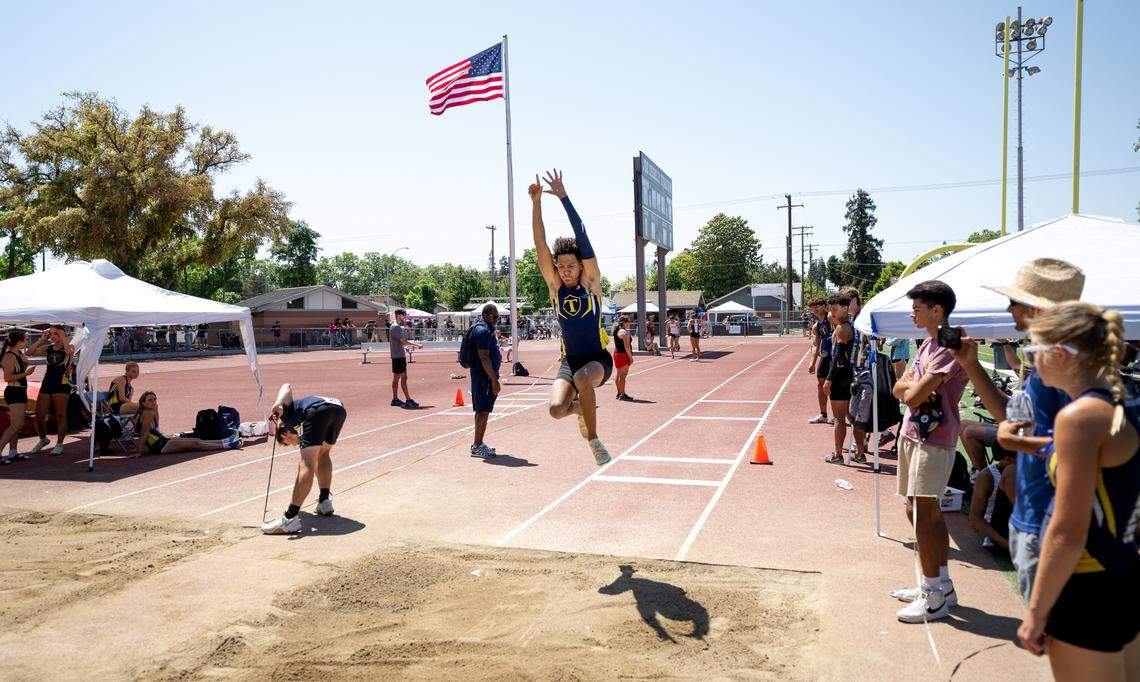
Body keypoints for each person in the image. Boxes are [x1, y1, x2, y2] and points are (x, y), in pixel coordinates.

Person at [1017, 302, 1140, 675]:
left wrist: (1036, 613)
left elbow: (1068, 531)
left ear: (1059, 354)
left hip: (1087, 584)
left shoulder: (1079, 417)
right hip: (1123, 570)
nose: (1031, 361)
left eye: (1032, 351)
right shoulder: (1126, 404)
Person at [951, 258, 1085, 603]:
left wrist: (1025, 444)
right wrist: (969, 364)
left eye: (1015, 301)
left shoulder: (1066, 363)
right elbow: (1010, 416)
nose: (1008, 308)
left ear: (1038, 309)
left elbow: (1087, 445)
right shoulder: (1048, 362)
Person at [888, 280, 969, 623]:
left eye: (917, 308)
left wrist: (912, 389)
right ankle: (938, 583)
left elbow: (912, 396)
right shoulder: (925, 345)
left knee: (925, 511)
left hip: (935, 438)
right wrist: (912, 388)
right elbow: (899, 389)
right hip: (912, 433)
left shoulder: (949, 348)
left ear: (938, 311)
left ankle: (933, 594)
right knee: (915, 508)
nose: (912, 314)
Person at [529, 168, 613, 465]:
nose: (565, 271)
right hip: (570, 361)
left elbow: (583, 236)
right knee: (555, 409)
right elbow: (540, 245)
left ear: (580, 267)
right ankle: (579, 408)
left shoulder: (591, 284)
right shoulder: (554, 287)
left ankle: (593, 440)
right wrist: (536, 202)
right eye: (561, 266)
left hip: (598, 360)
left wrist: (563, 197)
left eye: (570, 266)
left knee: (582, 377)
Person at [262, 385, 347, 534]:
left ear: (285, 433)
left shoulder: (286, 414)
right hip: (338, 409)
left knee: (306, 462)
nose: (295, 444)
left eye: (289, 442)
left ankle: (290, 518)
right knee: (323, 454)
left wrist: (279, 403)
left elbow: (286, 386)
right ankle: (324, 502)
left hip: (317, 410)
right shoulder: (297, 421)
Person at [132, 391, 239, 456]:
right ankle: (227, 445)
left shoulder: (149, 412)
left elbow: (156, 429)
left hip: (162, 441)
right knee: (195, 444)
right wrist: (139, 452)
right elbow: (144, 434)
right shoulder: (148, 413)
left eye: (155, 399)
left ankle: (226, 441)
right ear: (143, 402)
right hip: (160, 446)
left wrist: (156, 410)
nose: (153, 402)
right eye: (150, 400)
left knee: (197, 440)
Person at [823, 294, 862, 464]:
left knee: (839, 418)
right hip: (851, 374)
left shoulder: (842, 329)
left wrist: (829, 379)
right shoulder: (851, 324)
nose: (831, 313)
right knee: (852, 417)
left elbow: (838, 356)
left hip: (840, 376)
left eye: (834, 309)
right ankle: (860, 453)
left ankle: (838, 455)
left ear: (845, 308)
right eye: (830, 309)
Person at [30, 326, 75, 456]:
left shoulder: (69, 346)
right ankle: (43, 439)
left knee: (61, 414)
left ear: (62, 334)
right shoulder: (48, 348)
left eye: (56, 333)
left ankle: (59, 444)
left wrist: (62, 337)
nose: (53, 336)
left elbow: (69, 353)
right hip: (47, 384)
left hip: (61, 385)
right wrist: (41, 339)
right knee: (39, 415)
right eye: (51, 334)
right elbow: (30, 353)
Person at [469, 303, 502, 459]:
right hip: (484, 377)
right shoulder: (482, 331)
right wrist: (494, 380)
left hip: (484, 375)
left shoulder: (485, 329)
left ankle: (478, 443)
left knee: (482, 409)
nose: (497, 320)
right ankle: (477, 445)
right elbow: (483, 356)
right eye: (495, 317)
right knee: (483, 410)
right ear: (487, 315)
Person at [968, 450, 1016, 554]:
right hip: (1001, 537)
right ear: (1007, 459)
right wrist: (1006, 544)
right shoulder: (987, 477)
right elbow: (975, 517)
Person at [1, 330, 37, 463]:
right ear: (19, 342)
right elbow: (7, 377)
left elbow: (30, 352)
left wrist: (41, 339)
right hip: (14, 391)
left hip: (20, 391)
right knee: (17, 424)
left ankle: (13, 452)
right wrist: (26, 373)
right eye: (26, 340)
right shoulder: (9, 356)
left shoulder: (19, 354)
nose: (27, 342)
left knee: (16, 425)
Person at [807, 298, 833, 426]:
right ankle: (823, 415)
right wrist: (812, 362)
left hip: (837, 355)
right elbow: (816, 345)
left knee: (834, 385)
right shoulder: (816, 326)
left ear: (824, 306)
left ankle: (838, 415)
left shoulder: (832, 318)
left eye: (817, 306)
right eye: (812, 307)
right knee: (821, 384)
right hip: (826, 355)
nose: (815, 309)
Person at [389, 309, 423, 408]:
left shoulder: (395, 326)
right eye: (403, 315)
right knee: (403, 377)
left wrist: (405, 346)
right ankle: (408, 400)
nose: (405, 316)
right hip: (398, 356)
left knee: (397, 378)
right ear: (398, 315)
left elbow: (400, 342)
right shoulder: (396, 327)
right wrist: (416, 344)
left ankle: (395, 399)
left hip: (397, 355)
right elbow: (403, 341)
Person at [612, 315, 635, 401]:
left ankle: (619, 393)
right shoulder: (624, 332)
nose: (630, 323)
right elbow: (627, 346)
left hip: (617, 354)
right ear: (624, 322)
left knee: (619, 375)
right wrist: (631, 357)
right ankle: (622, 394)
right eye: (628, 321)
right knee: (623, 376)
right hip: (623, 355)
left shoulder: (617, 330)